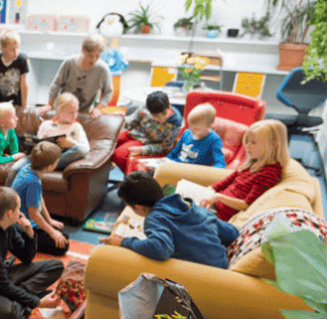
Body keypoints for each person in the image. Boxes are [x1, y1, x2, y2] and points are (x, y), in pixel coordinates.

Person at [100, 171, 239, 268]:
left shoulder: (154, 219)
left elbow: (160, 249)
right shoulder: (188, 204)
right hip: (221, 262)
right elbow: (232, 232)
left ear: (140, 207)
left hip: (205, 273)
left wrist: (124, 242)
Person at [0, 187, 64, 319]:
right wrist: (37, 303)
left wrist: (30, 234)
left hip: (3, 274)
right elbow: (0, 285)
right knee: (10, 316)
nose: (20, 212)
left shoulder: (9, 226)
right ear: (9, 213)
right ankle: (28, 296)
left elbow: (26, 258)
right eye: (18, 208)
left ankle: (20, 294)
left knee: (57, 266)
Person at [199, 119, 289, 221]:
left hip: (219, 214)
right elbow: (225, 182)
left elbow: (246, 204)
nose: (247, 146)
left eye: (253, 142)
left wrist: (218, 197)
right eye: (247, 141)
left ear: (273, 145)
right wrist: (208, 190)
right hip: (213, 204)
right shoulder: (250, 164)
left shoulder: (269, 173)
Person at [11, 141, 71, 256]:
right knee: (63, 245)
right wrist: (52, 232)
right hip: (21, 227)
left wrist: (49, 220)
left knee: (63, 236)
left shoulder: (28, 168)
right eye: (57, 162)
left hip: (26, 222)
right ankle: (21, 243)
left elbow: (39, 198)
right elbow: (33, 214)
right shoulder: (34, 182)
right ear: (49, 167)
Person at [41, 33, 113, 119]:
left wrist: (98, 108)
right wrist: (49, 104)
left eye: (97, 56)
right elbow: (56, 85)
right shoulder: (69, 63)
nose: (94, 59)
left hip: (85, 112)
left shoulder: (103, 69)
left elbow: (108, 92)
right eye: (90, 56)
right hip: (64, 108)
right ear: (83, 50)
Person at [111, 90, 183, 174]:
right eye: (155, 116)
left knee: (119, 155)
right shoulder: (146, 107)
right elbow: (133, 121)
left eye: (164, 113)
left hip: (150, 143)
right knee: (110, 140)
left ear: (169, 106)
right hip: (137, 133)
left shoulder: (176, 123)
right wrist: (122, 119)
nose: (161, 119)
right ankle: (128, 174)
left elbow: (166, 147)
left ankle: (132, 178)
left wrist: (142, 150)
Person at [37, 92, 89, 170]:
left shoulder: (76, 126)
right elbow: (37, 146)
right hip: (42, 157)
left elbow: (85, 148)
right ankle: (41, 166)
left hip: (61, 158)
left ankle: (46, 166)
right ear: (59, 111)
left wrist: (73, 144)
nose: (75, 115)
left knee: (80, 150)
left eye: (76, 111)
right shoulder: (46, 125)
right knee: (16, 167)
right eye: (71, 112)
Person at [165, 103, 225, 168]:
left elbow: (219, 162)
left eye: (196, 128)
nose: (192, 130)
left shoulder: (214, 140)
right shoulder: (187, 132)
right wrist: (165, 161)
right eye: (190, 126)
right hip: (175, 166)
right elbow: (175, 151)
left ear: (210, 125)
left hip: (193, 172)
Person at [0, 29, 30, 108]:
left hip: (17, 103)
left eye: (17, 48)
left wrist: (25, 107)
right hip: (0, 103)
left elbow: (24, 84)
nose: (16, 53)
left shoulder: (22, 60)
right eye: (12, 50)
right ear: (2, 48)